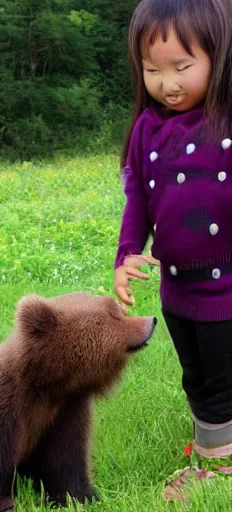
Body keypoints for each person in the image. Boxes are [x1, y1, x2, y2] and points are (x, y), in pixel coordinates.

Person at [114, 0, 232, 470]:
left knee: (221, 383)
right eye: (152, 69)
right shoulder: (147, 129)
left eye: (182, 66)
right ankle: (214, 448)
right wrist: (126, 254)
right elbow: (138, 200)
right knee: (196, 378)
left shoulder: (226, 122)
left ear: (219, 56)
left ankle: (216, 466)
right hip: (176, 287)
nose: (167, 83)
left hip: (226, 286)